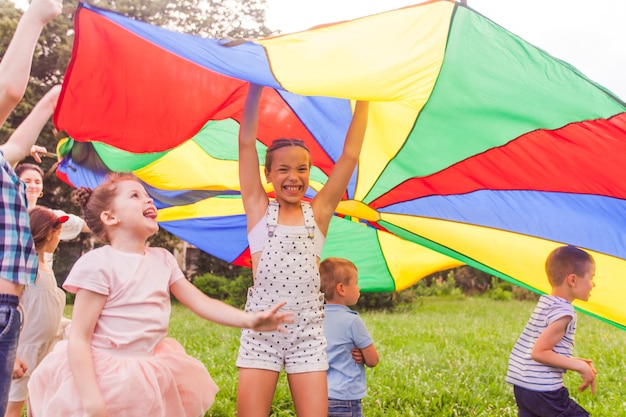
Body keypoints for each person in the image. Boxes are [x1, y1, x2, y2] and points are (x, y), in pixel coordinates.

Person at [27, 173, 294, 417]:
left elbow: (201, 302)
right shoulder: (98, 264)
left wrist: (250, 321)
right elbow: (79, 339)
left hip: (148, 371)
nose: (148, 200)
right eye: (135, 195)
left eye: (147, 195)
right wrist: (91, 398)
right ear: (110, 217)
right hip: (105, 375)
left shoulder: (163, 259)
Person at [236, 83, 369, 417]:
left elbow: (350, 155)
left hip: (307, 336)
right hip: (262, 334)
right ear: (268, 175)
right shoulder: (258, 208)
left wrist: (366, 94)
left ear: (310, 174)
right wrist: (253, 85)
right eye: (283, 169)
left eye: (301, 169)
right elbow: (245, 142)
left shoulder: (318, 213)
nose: (293, 177)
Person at [0, 80, 62, 415]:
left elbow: (15, 144)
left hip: (16, 312)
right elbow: (9, 91)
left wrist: (52, 99)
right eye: (25, 181)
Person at [506, 245, 597, 417]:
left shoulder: (547, 303)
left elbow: (544, 350)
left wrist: (575, 361)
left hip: (523, 386)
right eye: (591, 278)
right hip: (544, 391)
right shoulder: (564, 312)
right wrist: (578, 366)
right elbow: (540, 352)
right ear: (572, 280)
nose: (593, 284)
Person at [5, 207, 68, 417]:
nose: (59, 239)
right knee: (12, 409)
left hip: (47, 350)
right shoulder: (22, 268)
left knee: (41, 403)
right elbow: (6, 311)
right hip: (23, 352)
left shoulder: (45, 267)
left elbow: (44, 311)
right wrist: (11, 357)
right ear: (49, 234)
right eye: (58, 234)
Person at [319, 257, 379, 417]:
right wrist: (363, 355)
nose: (359, 288)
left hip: (318, 397)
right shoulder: (353, 321)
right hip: (345, 399)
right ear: (342, 289)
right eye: (355, 283)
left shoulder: (316, 319)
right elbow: (373, 360)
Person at [15, 163, 90, 258]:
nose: (33, 186)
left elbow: (87, 226)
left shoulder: (52, 217)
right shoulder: (7, 214)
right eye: (27, 181)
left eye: (37, 182)